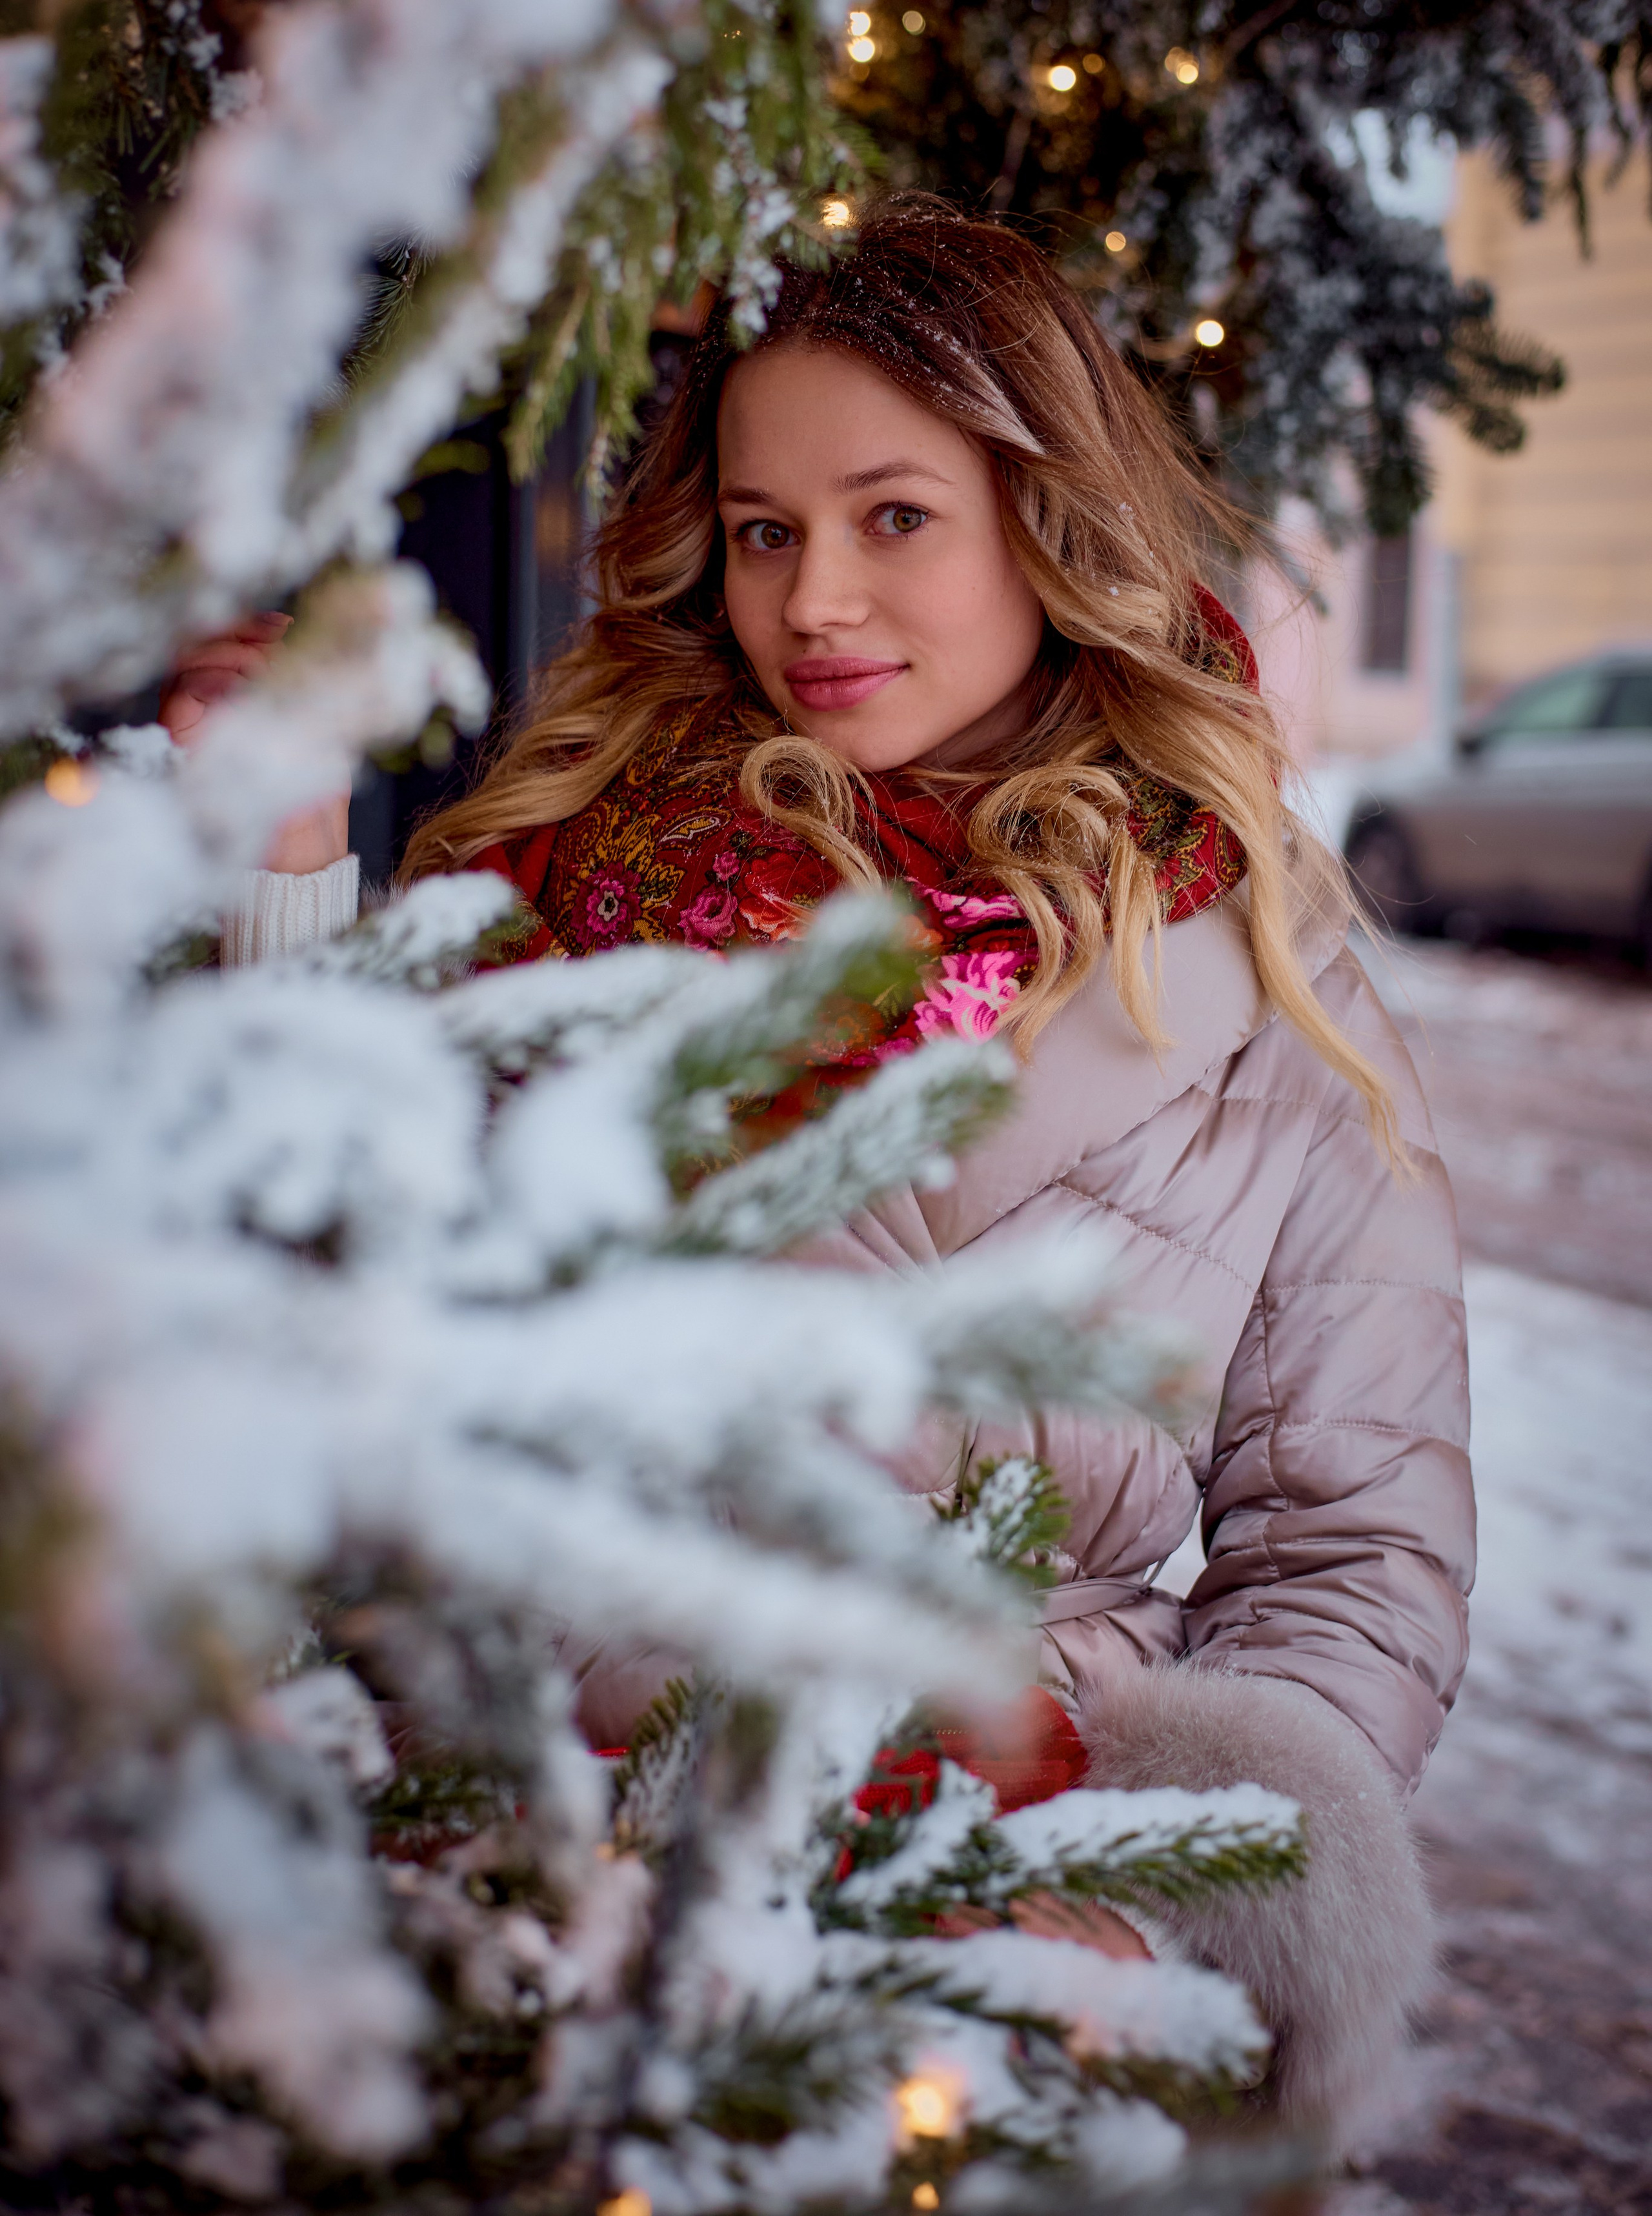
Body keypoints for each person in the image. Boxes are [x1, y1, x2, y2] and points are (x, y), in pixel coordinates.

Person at [163, 197, 1472, 2143]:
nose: (816, 605)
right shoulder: (584, 885)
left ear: (1047, 518)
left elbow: (1353, 1545)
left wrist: (1139, 1894)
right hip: (573, 1902)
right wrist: (280, 875)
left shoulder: (1274, 973)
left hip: (1046, 1944)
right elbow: (336, 1343)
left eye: (895, 517)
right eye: (765, 529)